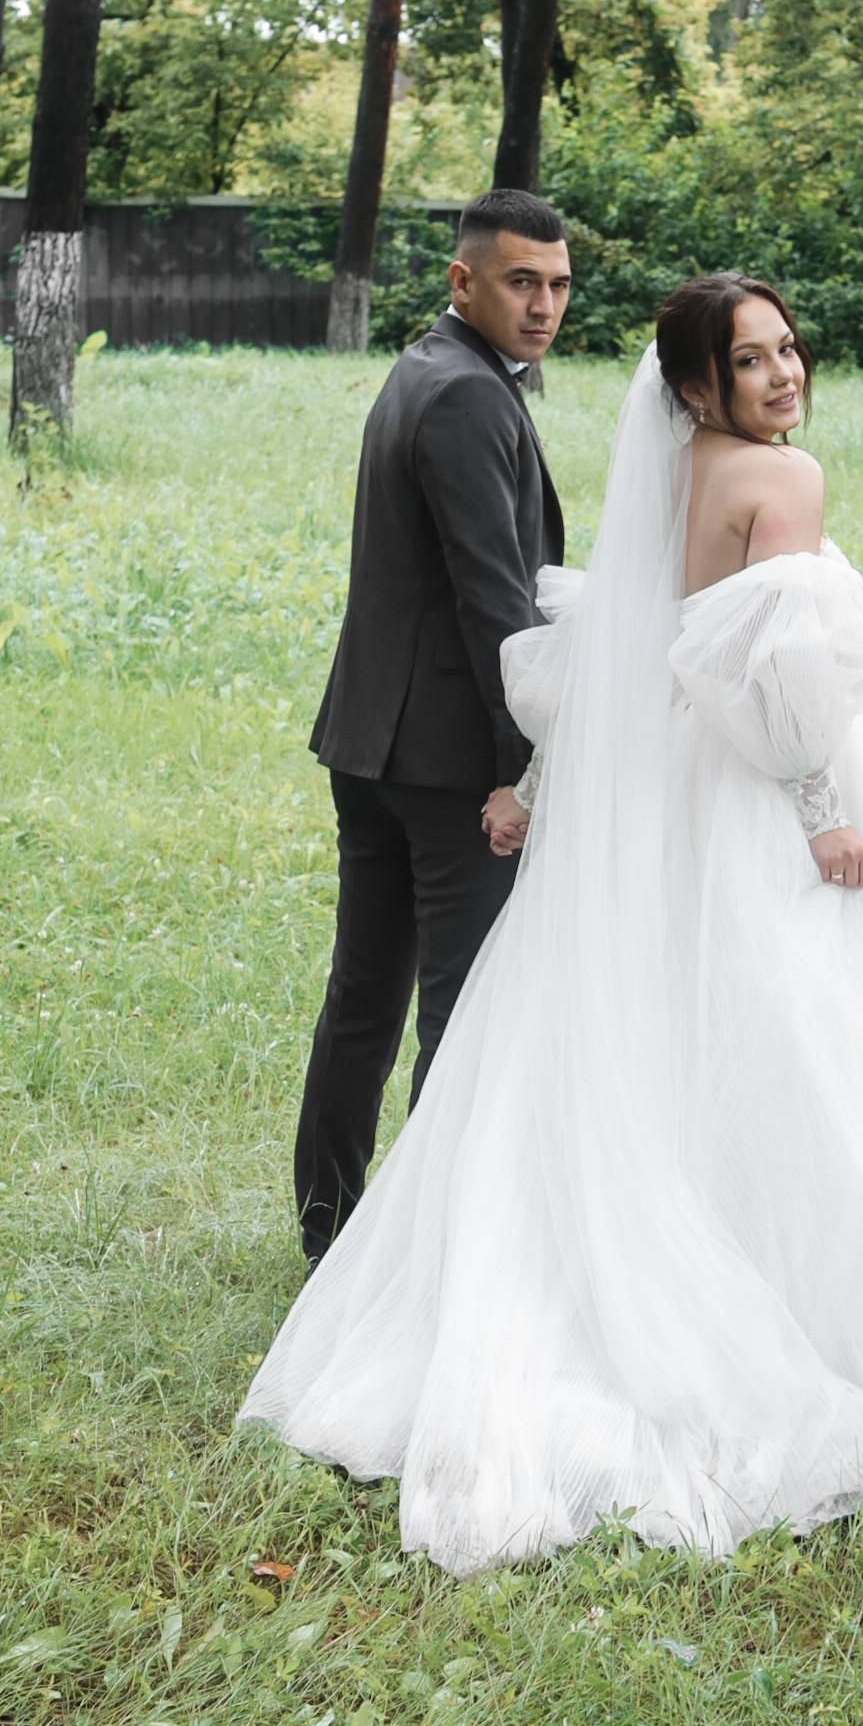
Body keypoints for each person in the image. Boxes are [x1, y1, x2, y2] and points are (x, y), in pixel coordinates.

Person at [243, 276, 863, 1571]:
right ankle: (846, 1319)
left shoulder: (673, 473)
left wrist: (530, 789)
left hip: (643, 796)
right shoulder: (781, 483)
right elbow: (781, 681)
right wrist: (821, 811)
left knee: (639, 1028)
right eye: (751, 362)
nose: (783, 375)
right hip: (752, 789)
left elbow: (620, 656)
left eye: (787, 350)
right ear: (698, 385)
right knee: (815, 1033)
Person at [292, 186, 569, 1264]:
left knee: (364, 991)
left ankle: (331, 1227)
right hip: (448, 758)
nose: (541, 305)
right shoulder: (465, 397)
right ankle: (428, 1253)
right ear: (464, 280)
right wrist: (529, 766)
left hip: (370, 735)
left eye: (554, 285)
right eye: (519, 282)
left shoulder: (425, 368)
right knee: (458, 1005)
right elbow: (491, 599)